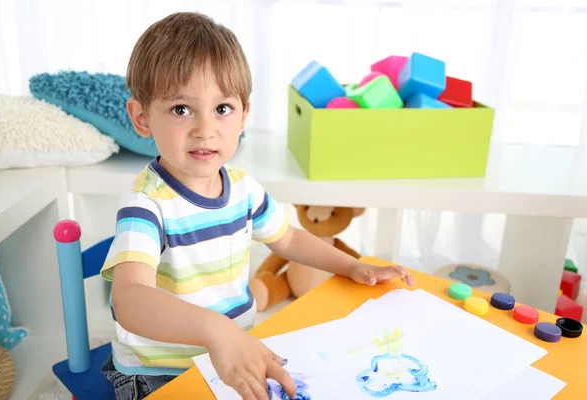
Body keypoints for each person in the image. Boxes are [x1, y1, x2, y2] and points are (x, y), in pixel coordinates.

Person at [99, 11, 415, 400]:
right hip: (158, 371)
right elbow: (129, 300)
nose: (205, 128)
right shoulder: (145, 206)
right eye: (181, 109)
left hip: (235, 349)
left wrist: (352, 265)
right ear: (142, 118)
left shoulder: (243, 189)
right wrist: (215, 330)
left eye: (222, 108)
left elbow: (289, 240)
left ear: (244, 115)